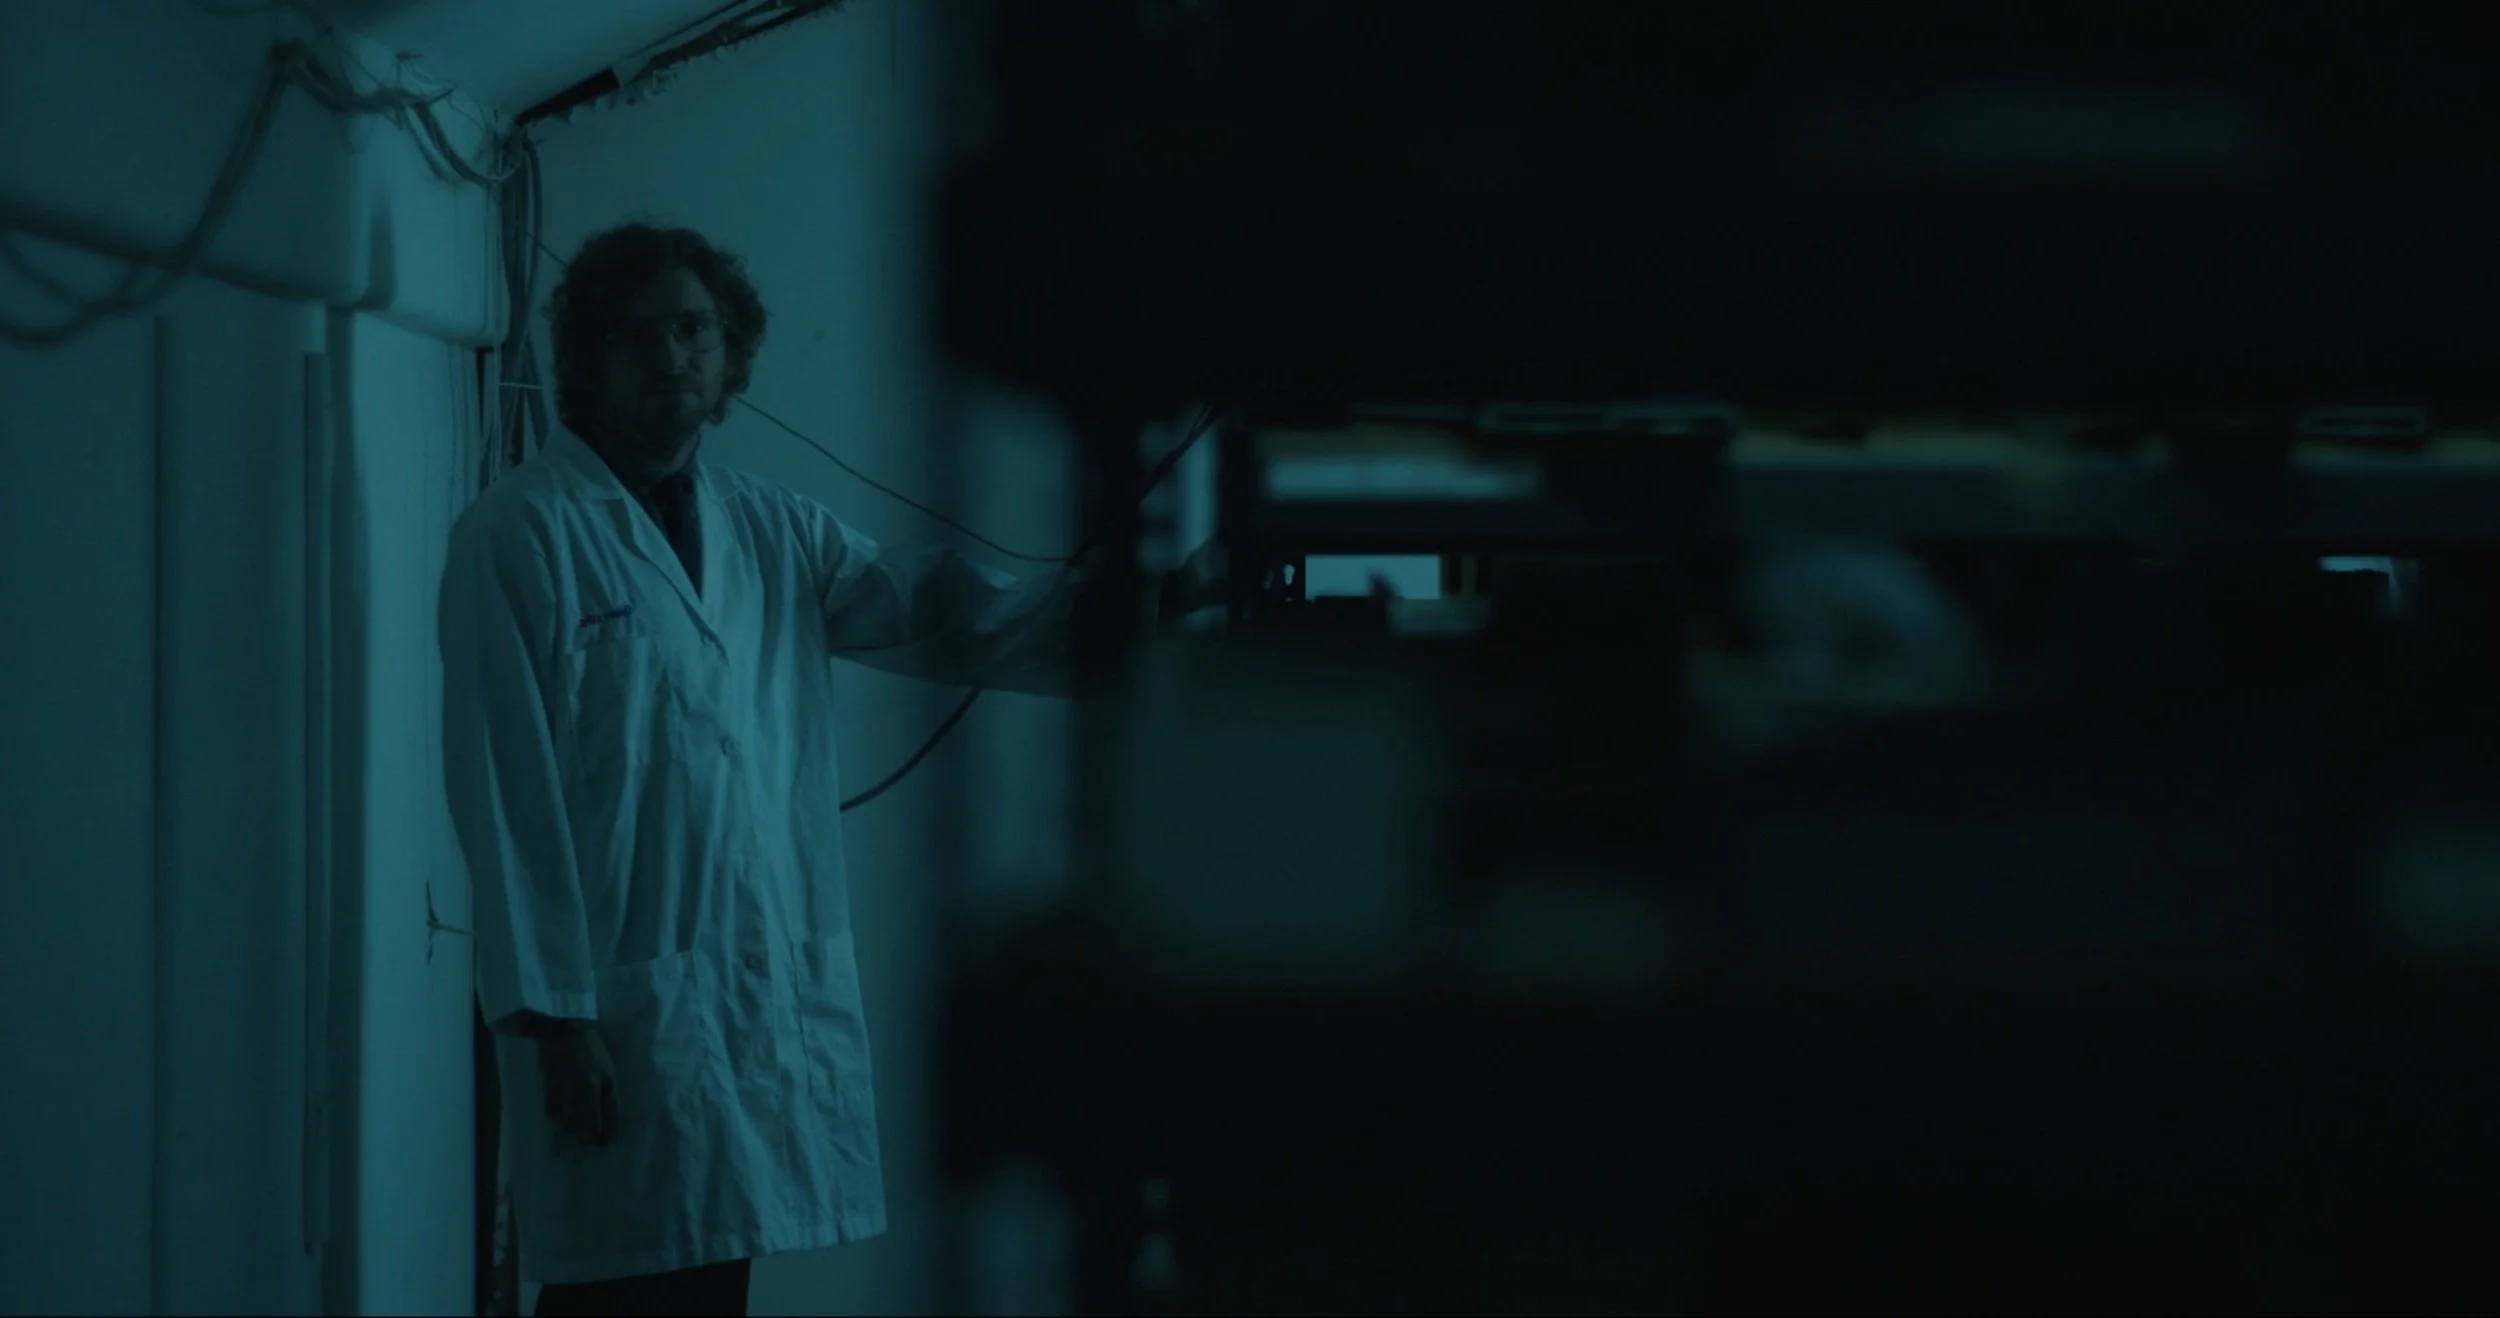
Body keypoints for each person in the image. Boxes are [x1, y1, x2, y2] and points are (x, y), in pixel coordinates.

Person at [438, 222, 1221, 1317]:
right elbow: (505, 784)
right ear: (589, 358)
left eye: (694, 330)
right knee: (615, 1293)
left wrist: (1132, 607)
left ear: (731, 356)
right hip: (612, 1004)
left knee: (715, 1275)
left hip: (746, 981)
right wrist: (555, 1017)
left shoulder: (767, 526)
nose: (672, 357)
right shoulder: (521, 534)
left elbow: (938, 607)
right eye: (640, 334)